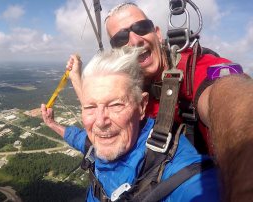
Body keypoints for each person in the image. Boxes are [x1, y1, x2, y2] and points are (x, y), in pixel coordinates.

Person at [66, 2, 251, 155]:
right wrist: (76, 79)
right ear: (116, 52)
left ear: (158, 33)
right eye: (121, 38)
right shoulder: (126, 87)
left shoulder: (192, 67)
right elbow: (101, 119)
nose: (135, 40)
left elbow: (229, 97)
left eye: (141, 28)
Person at [41, 47, 220, 202]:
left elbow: (196, 185)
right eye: (90, 107)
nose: (100, 122)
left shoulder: (174, 168)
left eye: (116, 104)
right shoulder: (97, 143)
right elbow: (78, 138)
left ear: (142, 106)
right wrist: (52, 123)